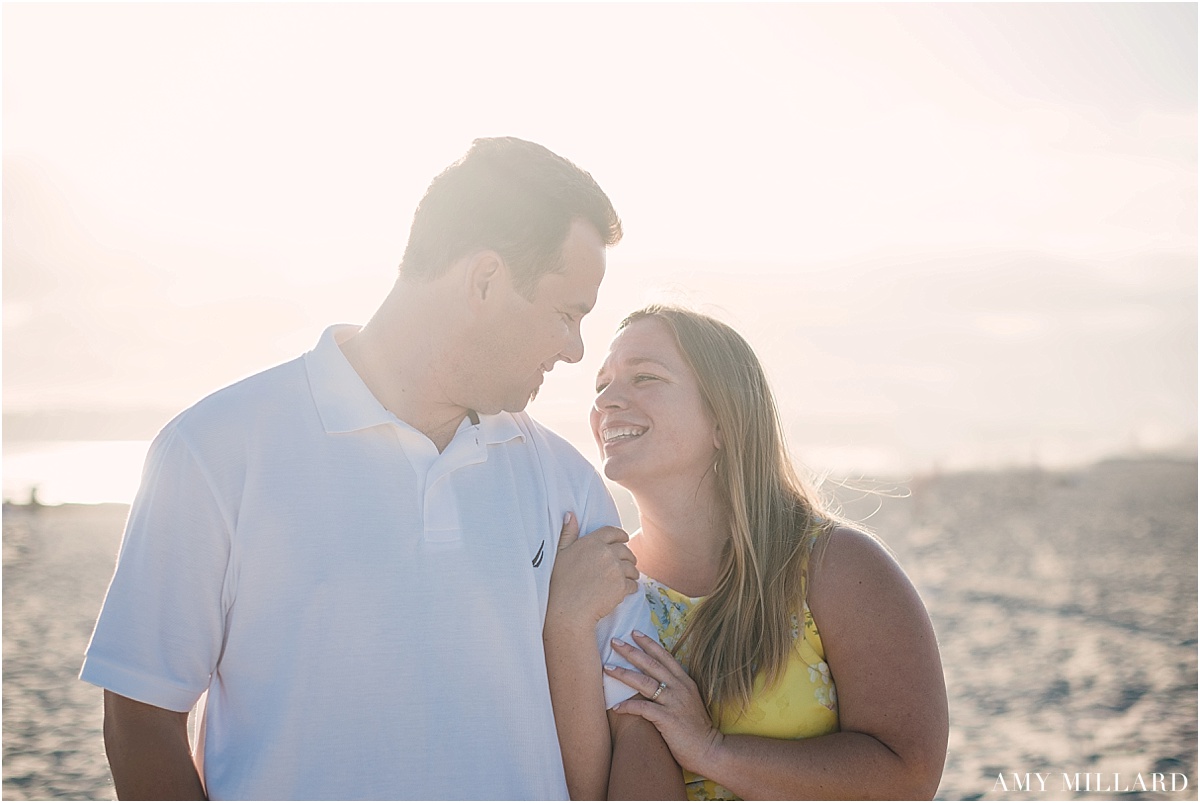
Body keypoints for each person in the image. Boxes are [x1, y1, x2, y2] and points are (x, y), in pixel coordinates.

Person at [80, 137, 683, 800]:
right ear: (484, 281)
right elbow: (140, 718)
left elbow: (636, 723)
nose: (574, 350)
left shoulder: (567, 484)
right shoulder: (214, 452)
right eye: (567, 314)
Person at [551, 304, 949, 800]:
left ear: (724, 418)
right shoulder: (609, 592)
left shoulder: (835, 567)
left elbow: (909, 777)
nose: (607, 400)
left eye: (645, 377)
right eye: (601, 385)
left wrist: (712, 750)